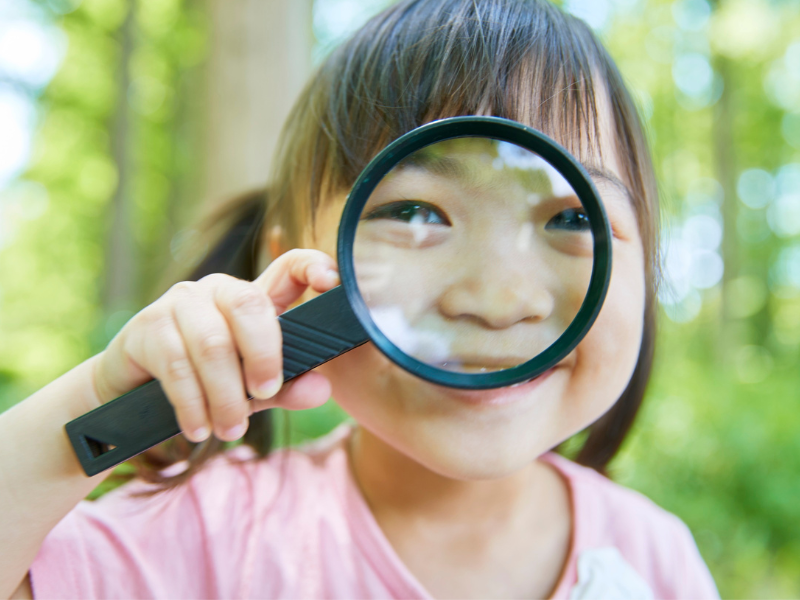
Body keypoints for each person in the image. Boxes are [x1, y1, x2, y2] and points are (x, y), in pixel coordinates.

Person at [0, 0, 720, 598]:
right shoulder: (204, 537)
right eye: (415, 213)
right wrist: (95, 402)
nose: (495, 299)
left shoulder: (654, 560)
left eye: (572, 219)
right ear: (291, 270)